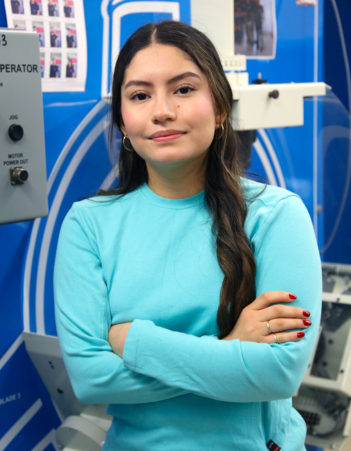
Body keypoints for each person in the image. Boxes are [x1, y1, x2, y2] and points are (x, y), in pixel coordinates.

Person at [54, 20, 322, 451]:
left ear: (219, 108)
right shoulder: (88, 225)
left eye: (183, 89)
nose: (161, 111)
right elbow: (91, 378)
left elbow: (279, 373)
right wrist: (232, 346)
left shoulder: (277, 216)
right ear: (122, 120)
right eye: (140, 95)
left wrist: (134, 341)